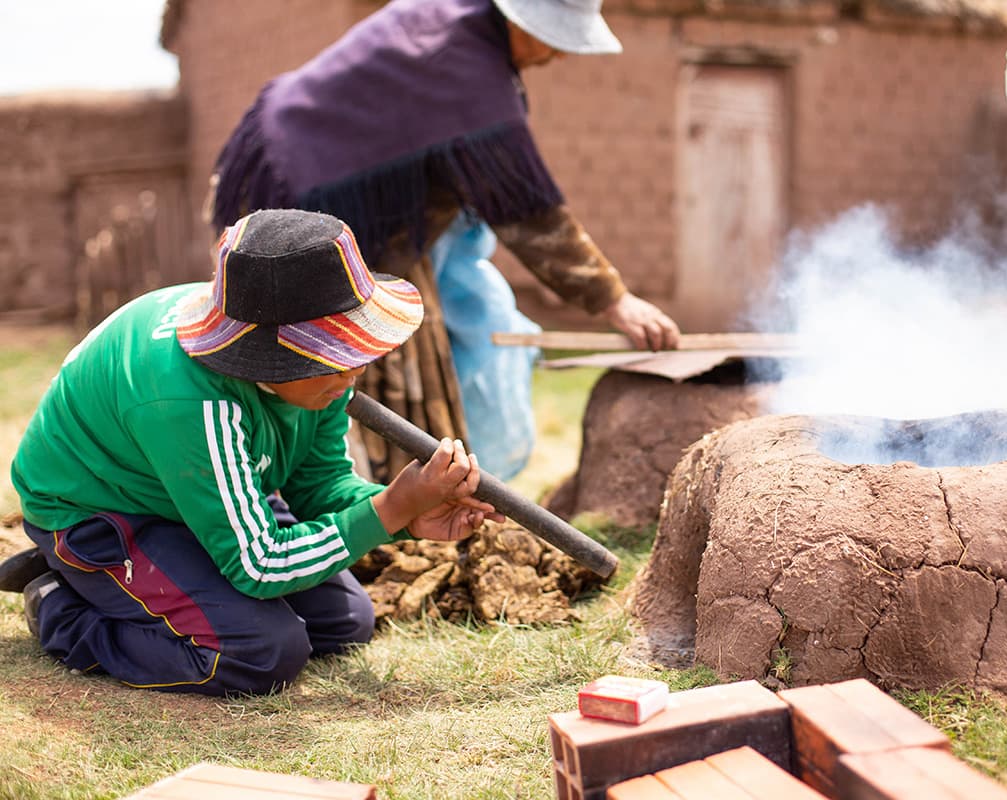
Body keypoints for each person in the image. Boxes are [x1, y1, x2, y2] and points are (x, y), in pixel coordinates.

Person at [2, 208, 503, 696]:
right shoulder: (190, 401)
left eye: (355, 350)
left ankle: (146, 581)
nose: (355, 373)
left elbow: (320, 486)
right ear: (273, 358)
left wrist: (407, 513)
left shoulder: (320, 379)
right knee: (258, 652)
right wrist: (391, 508)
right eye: (336, 355)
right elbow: (260, 565)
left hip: (196, 489)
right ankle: (61, 607)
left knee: (344, 623)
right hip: (106, 508)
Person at [207, 0, 681, 480]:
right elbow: (529, 215)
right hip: (304, 189)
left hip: (286, 148)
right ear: (519, 20)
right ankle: (339, 488)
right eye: (556, 39)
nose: (561, 55)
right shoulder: (469, 78)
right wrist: (615, 300)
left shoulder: (450, 16)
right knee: (326, 356)